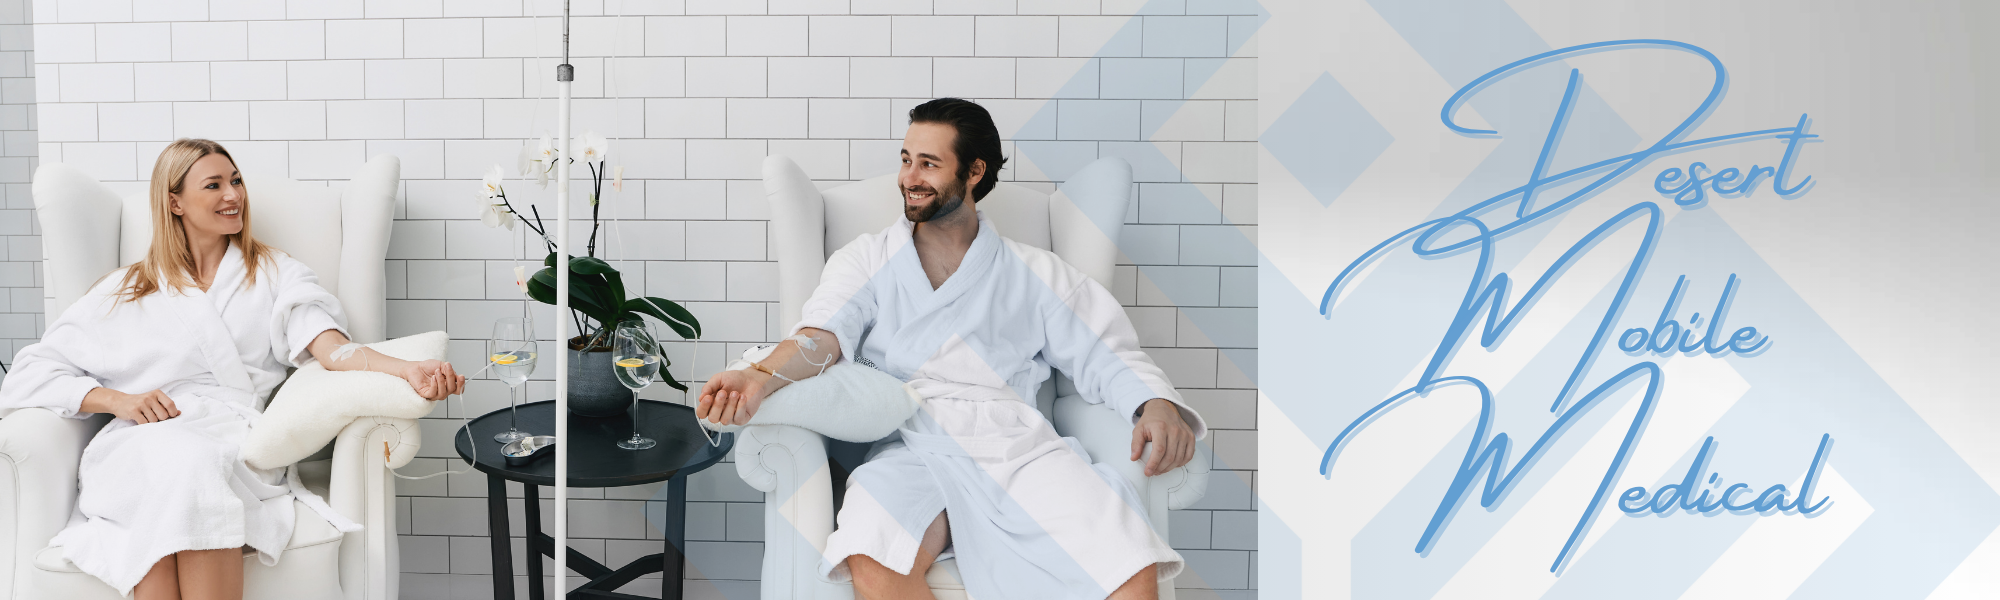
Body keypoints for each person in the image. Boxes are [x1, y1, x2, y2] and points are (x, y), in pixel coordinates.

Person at [697, 99, 1204, 600]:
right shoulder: (868, 259)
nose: (909, 177)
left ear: (974, 172)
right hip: (912, 440)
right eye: (905, 159)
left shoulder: (1034, 271)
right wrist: (758, 375)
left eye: (929, 164)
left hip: (1016, 447)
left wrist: (1154, 403)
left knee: (1127, 559)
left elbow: (1105, 351)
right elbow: (821, 336)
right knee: (872, 552)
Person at [0, 139, 466, 600]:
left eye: (236, 181)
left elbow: (333, 350)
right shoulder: (125, 289)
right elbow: (28, 374)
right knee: (173, 468)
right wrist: (118, 400)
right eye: (214, 185)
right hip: (137, 443)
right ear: (175, 202)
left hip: (229, 441)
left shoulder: (274, 273)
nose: (233, 195)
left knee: (190, 467)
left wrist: (405, 369)